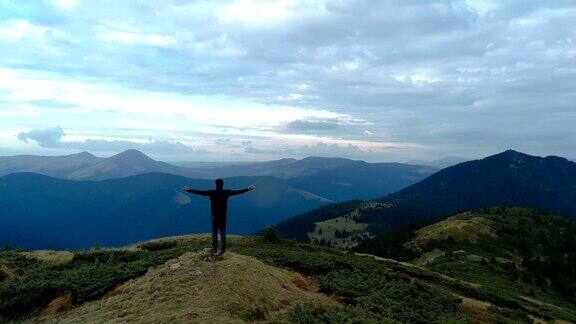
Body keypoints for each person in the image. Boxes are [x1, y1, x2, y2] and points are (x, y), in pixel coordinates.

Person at [182, 179, 255, 255]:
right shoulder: (226, 192)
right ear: (223, 184)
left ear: (215, 184)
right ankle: (223, 250)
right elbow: (238, 192)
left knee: (214, 233)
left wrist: (189, 190)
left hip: (214, 217)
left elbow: (200, 192)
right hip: (223, 216)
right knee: (223, 233)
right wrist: (248, 189)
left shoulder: (211, 192)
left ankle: (214, 249)